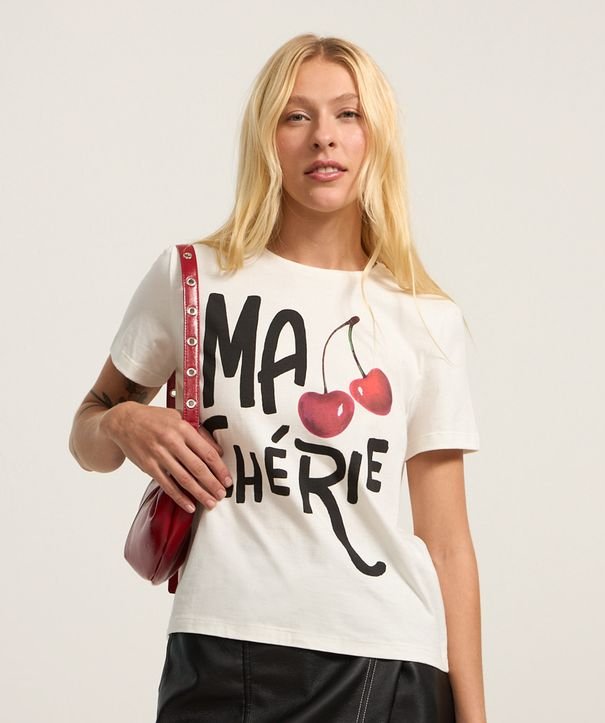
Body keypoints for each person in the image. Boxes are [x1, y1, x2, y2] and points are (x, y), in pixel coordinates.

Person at [69, 33, 487, 723]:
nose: (324, 136)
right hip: (219, 649)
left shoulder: (424, 317)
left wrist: (475, 717)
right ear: (267, 139)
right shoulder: (192, 278)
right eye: (297, 116)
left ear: (375, 138)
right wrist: (121, 419)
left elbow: (446, 541)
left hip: (385, 661)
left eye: (348, 114)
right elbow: (87, 437)